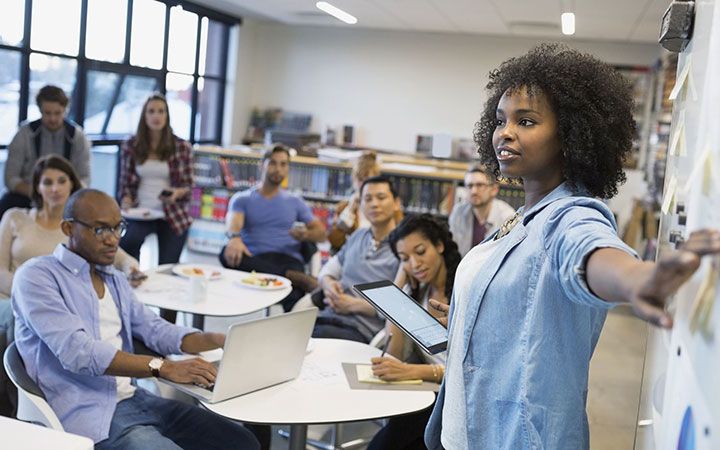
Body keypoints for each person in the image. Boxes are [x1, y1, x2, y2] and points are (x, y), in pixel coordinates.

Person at [423, 44, 720, 450]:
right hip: (463, 430)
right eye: (500, 120)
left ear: (571, 135)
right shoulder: (521, 214)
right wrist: (470, 321)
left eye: (525, 121)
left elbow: (588, 251)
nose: (505, 132)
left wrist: (638, 278)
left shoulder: (571, 215)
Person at [11, 189, 259, 449]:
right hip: (85, 411)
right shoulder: (37, 277)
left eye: (118, 228)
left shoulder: (114, 279)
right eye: (100, 230)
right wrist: (163, 367)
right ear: (68, 228)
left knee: (242, 441)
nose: (113, 240)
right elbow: (78, 352)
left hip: (134, 398)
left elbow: (154, 329)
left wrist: (215, 339)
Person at [0, 156, 143, 417]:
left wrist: (132, 268)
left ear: (71, 186)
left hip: (61, 302)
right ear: (37, 187)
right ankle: (17, 404)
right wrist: (29, 292)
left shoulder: (83, 228)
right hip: (14, 298)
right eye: (47, 182)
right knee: (17, 315)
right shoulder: (15, 218)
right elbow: (0, 270)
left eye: (61, 181)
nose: (54, 188)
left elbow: (122, 258)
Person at [368, 214, 461, 450]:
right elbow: (395, 353)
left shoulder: (463, 290)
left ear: (439, 245)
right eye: (404, 258)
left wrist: (412, 371)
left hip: (457, 399)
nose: (415, 264)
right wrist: (399, 286)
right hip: (428, 391)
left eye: (420, 252)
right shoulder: (419, 293)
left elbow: (471, 367)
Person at [220, 145, 326, 311]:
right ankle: (295, 277)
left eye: (283, 164)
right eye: (273, 163)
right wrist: (234, 238)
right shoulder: (243, 199)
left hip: (287, 257)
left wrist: (305, 234)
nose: (278, 169)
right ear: (263, 165)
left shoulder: (295, 201)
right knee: (225, 254)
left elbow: (321, 233)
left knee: (294, 294)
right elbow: (234, 222)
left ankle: (293, 282)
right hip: (255, 258)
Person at [118, 94, 193, 323]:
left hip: (172, 213)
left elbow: (189, 186)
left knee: (169, 270)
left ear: (167, 115)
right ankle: (131, 311)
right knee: (129, 244)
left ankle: (167, 324)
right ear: (144, 115)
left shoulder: (180, 146)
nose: (156, 116)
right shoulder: (131, 145)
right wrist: (127, 200)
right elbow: (125, 184)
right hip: (141, 212)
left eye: (161, 111)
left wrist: (177, 193)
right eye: (151, 111)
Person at [313, 175, 402, 343]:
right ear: (360, 205)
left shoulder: (403, 247)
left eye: (381, 197)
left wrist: (353, 305)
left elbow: (403, 307)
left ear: (396, 203)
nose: (374, 204)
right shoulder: (357, 236)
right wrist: (328, 284)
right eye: (367, 199)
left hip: (361, 331)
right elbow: (327, 271)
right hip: (327, 317)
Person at [1, 85, 91, 219]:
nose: (53, 119)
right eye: (47, 113)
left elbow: (84, 178)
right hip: (28, 195)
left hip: (65, 197)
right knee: (5, 203)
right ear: (40, 110)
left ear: (65, 110)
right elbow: (10, 178)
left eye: (58, 113)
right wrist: (40, 192)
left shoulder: (78, 137)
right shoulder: (23, 134)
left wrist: (61, 192)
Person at [448, 164, 515, 256]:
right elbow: (453, 251)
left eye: (480, 185)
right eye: (470, 186)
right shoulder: (458, 212)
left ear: (494, 190)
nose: (474, 191)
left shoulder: (507, 218)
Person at [326, 151, 381, 252]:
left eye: (369, 180)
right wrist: (350, 211)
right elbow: (334, 241)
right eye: (360, 179)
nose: (364, 184)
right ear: (354, 180)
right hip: (351, 257)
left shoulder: (385, 207)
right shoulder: (343, 207)